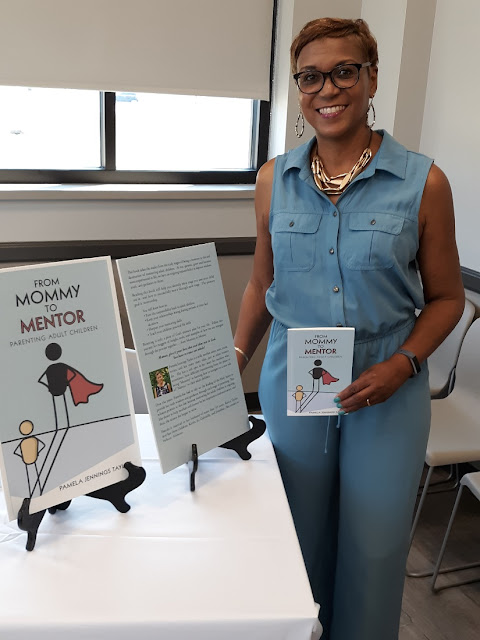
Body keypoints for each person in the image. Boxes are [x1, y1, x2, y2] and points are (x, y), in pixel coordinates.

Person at [233, 17, 464, 640]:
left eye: (344, 72)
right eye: (310, 76)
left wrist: (406, 364)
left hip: (387, 378)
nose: (327, 89)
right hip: (295, 380)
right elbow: (261, 284)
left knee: (375, 541)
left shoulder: (423, 183)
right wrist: (231, 360)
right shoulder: (271, 181)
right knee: (294, 535)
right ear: (298, 88)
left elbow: (446, 298)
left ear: (370, 80)